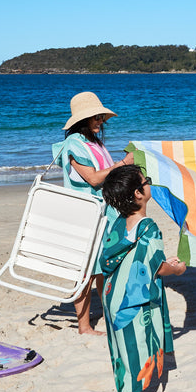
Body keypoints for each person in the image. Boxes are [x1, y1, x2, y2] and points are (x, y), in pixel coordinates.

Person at [100, 164, 185, 392]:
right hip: (132, 300)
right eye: (145, 181)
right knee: (135, 349)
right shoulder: (148, 226)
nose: (149, 184)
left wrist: (161, 261)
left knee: (124, 347)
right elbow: (156, 267)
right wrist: (177, 269)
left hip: (113, 294)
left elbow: (132, 257)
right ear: (138, 193)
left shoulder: (118, 222)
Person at [52, 91, 135, 335]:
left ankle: (107, 317)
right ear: (82, 119)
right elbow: (93, 178)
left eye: (101, 117)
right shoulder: (73, 144)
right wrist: (123, 163)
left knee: (103, 266)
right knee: (87, 271)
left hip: (103, 213)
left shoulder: (92, 143)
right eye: (96, 117)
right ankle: (84, 326)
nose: (101, 121)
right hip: (87, 214)